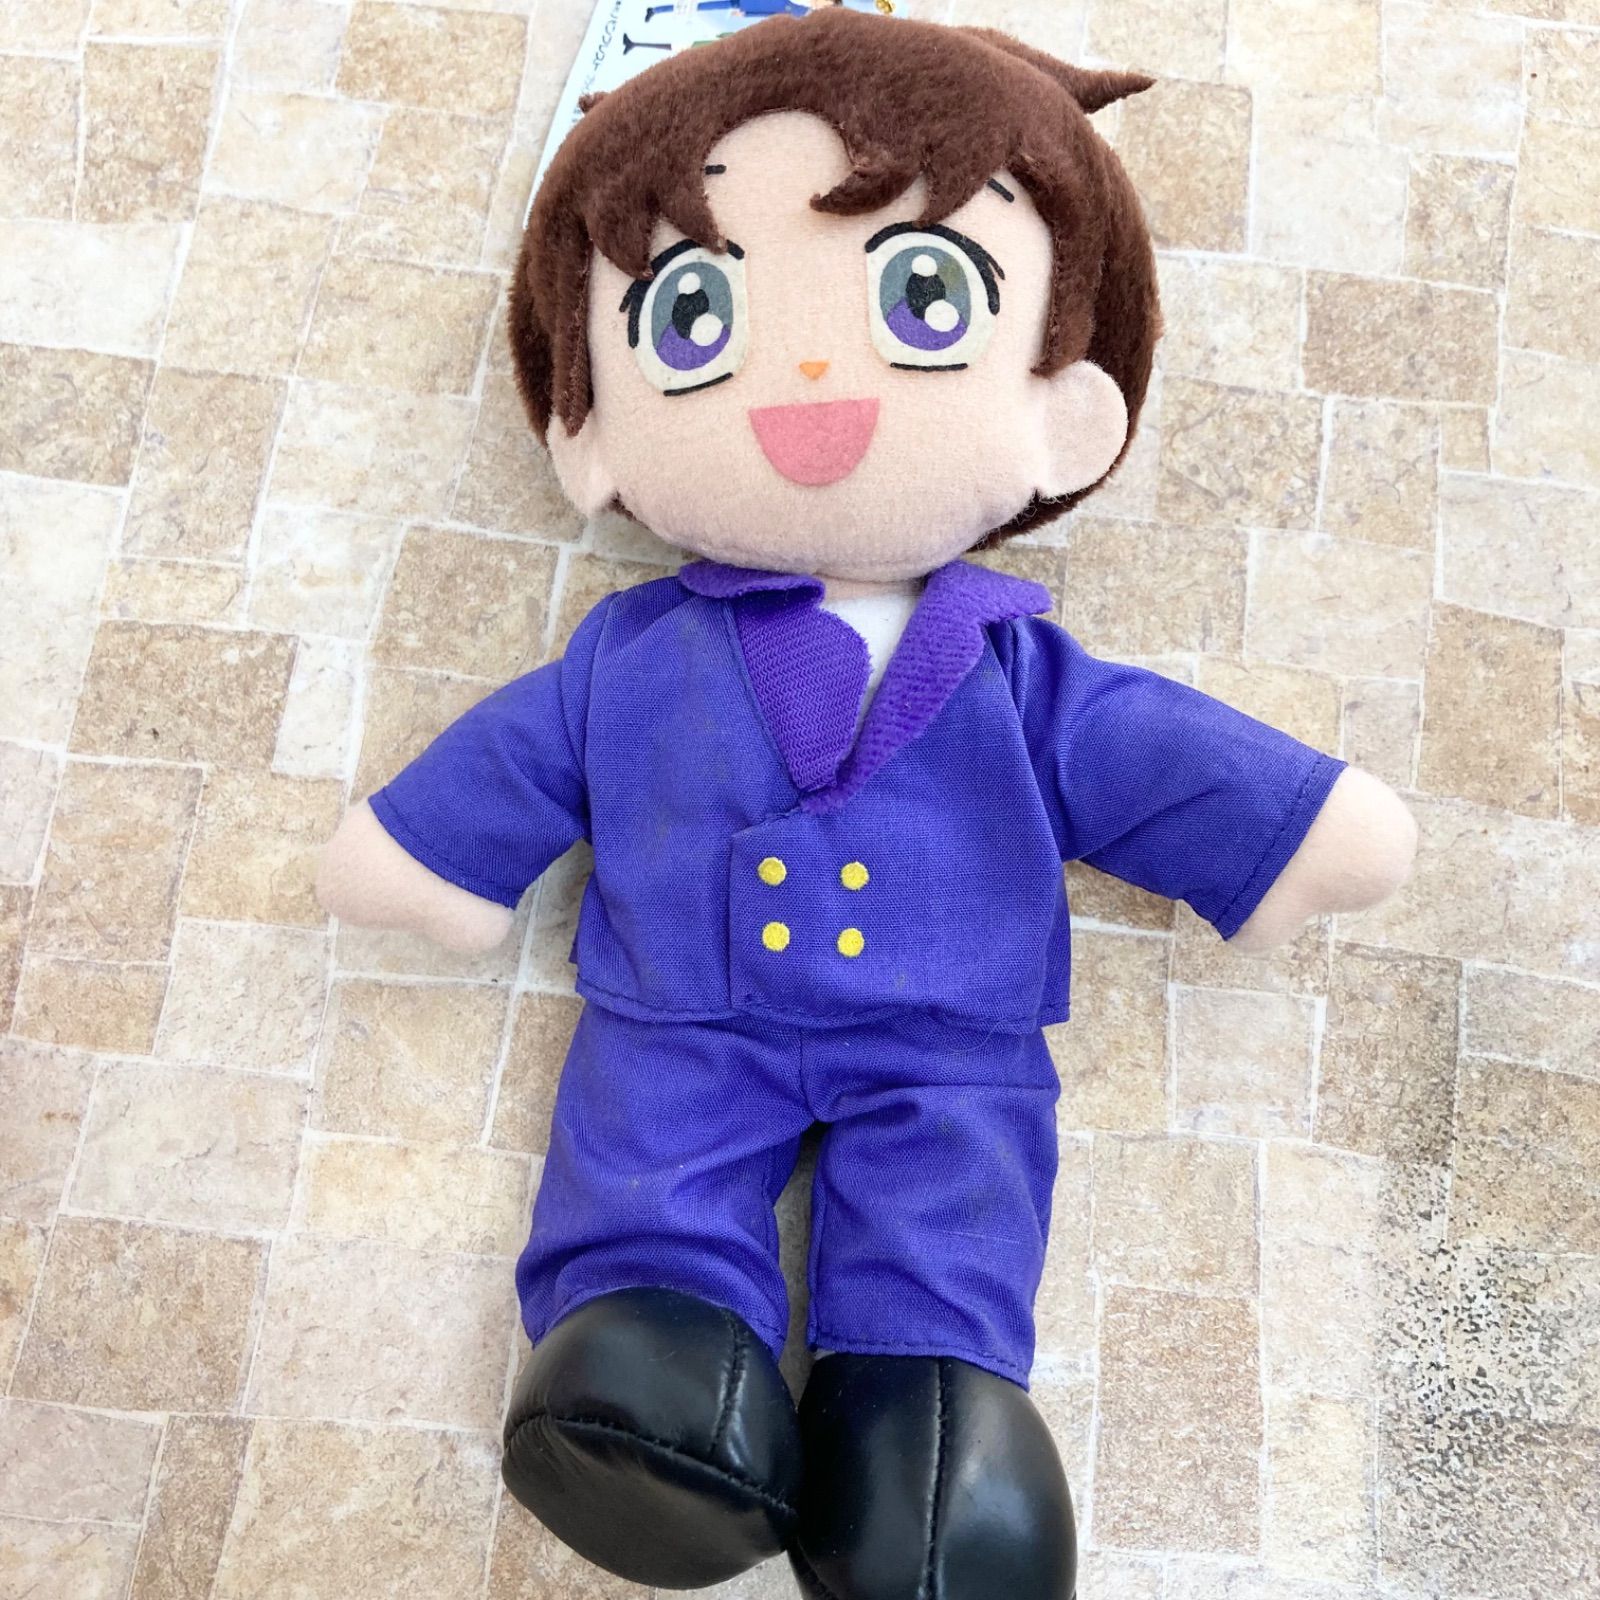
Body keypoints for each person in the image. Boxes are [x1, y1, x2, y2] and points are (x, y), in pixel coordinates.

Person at [318, 12, 1417, 1598]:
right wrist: (429, 854)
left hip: (947, 1037)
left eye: (922, 296)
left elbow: (1148, 754)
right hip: (686, 1015)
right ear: (589, 426)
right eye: (695, 313)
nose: (817, 370)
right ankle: (651, 1367)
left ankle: (928, 1438)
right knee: (646, 1176)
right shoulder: (632, 657)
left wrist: (1288, 825)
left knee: (950, 1214)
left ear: (1068, 405)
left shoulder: (1020, 672)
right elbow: (518, 760)